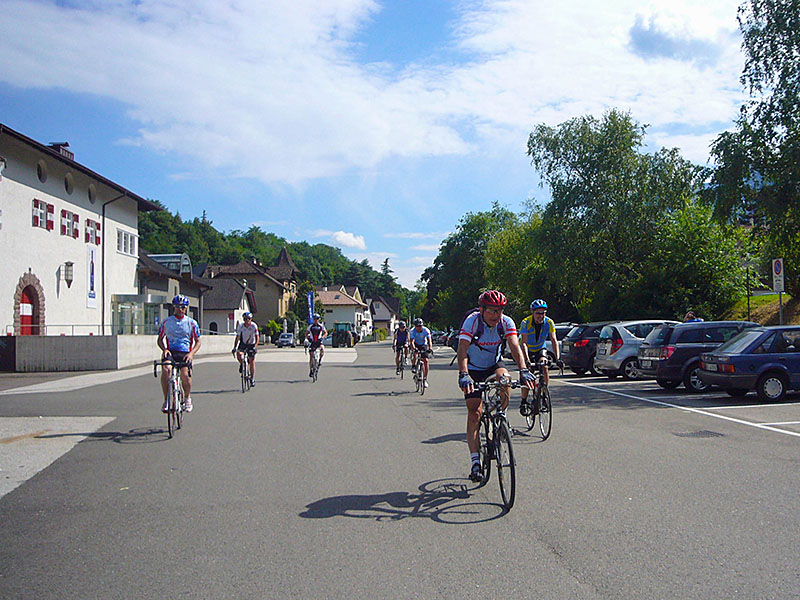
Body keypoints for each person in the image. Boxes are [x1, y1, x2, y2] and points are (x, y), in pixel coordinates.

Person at [457, 290, 535, 482]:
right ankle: (475, 462)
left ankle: (499, 416)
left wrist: (523, 370)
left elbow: (515, 346)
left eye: (499, 311)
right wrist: (463, 374)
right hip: (473, 368)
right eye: (491, 311)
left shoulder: (506, 322)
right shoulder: (472, 322)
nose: (495, 315)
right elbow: (462, 349)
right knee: (474, 413)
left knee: (506, 379)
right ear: (482, 310)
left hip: (494, 364)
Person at [157, 295, 201, 413]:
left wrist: (191, 354)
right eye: (177, 307)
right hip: (171, 351)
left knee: (185, 375)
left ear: (186, 308)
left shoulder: (191, 323)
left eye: (182, 307)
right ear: (173, 307)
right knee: (166, 370)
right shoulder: (166, 322)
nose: (180, 309)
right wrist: (164, 349)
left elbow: (198, 342)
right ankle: (166, 400)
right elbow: (160, 339)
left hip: (185, 352)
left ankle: (187, 398)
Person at [518, 299, 562, 416]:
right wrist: (526, 360)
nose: (540, 316)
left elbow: (554, 340)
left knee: (544, 366)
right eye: (538, 313)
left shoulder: (549, 322)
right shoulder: (525, 322)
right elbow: (524, 343)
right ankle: (523, 400)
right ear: (533, 313)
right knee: (528, 375)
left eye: (543, 313)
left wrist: (558, 358)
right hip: (528, 350)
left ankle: (543, 394)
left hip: (540, 349)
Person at [232, 311, 259, 387]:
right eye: (245, 319)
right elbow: (237, 337)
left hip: (251, 344)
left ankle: (252, 378)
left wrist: (255, 347)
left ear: (250, 319)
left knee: (251, 360)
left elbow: (257, 337)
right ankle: (242, 364)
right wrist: (234, 347)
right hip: (243, 343)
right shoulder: (241, 326)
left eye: (248, 319)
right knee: (239, 354)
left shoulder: (254, 326)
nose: (247, 321)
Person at [409, 318, 433, 387]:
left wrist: (430, 348)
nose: (419, 328)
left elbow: (429, 340)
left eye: (420, 326)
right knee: (415, 354)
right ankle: (413, 366)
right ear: (415, 326)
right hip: (415, 344)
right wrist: (414, 348)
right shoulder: (412, 331)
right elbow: (412, 341)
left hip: (423, 344)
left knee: (426, 360)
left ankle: (425, 379)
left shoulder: (426, 330)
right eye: (417, 326)